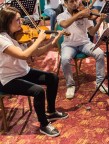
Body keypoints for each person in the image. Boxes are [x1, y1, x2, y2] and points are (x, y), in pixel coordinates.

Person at [0, 7, 68, 137]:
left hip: (22, 71)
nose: (22, 22)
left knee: (52, 78)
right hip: (7, 79)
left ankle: (51, 111)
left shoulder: (19, 35)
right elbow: (24, 55)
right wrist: (38, 39)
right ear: (7, 22)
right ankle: (44, 124)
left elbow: (36, 52)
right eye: (18, 20)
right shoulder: (2, 40)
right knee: (38, 91)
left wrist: (53, 41)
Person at [57, 0, 108, 99]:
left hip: (84, 43)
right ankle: (70, 85)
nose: (75, 3)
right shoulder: (61, 16)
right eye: (71, 1)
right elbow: (65, 24)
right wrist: (80, 14)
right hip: (69, 45)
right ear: (65, 3)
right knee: (65, 59)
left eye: (76, 0)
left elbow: (92, 32)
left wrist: (99, 22)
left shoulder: (84, 14)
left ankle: (100, 82)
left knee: (100, 53)